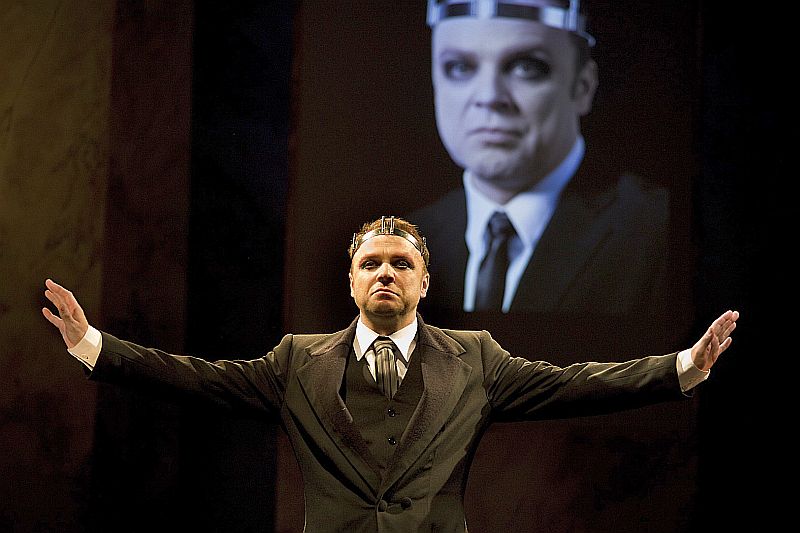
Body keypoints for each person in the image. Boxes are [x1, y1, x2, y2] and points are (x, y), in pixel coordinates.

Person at [43, 216, 738, 533]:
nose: (385, 272)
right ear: (350, 282)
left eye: (400, 263)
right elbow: (195, 377)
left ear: (424, 282)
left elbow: (577, 383)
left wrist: (682, 366)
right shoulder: (295, 361)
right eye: (370, 263)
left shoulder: (477, 358)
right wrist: (94, 344)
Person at [410, 0, 674, 316]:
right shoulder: (412, 237)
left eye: (526, 67)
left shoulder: (659, 234)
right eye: (459, 67)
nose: (489, 97)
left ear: (583, 87)